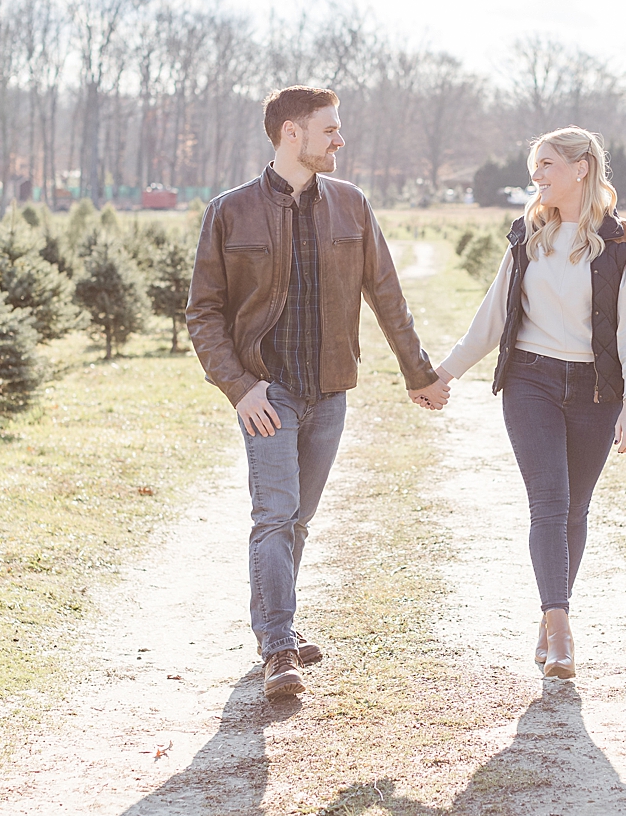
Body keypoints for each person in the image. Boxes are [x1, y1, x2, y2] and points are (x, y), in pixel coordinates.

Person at [186, 85, 451, 700]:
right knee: (274, 515)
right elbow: (204, 313)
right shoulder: (231, 212)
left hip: (329, 392)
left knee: (298, 520)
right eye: (329, 129)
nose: (340, 139)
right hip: (268, 393)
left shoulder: (351, 206)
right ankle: (278, 645)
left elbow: (386, 295)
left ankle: (278, 625)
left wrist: (420, 374)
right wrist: (240, 387)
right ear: (291, 135)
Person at [435, 126, 626, 679]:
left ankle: (552, 612)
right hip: (530, 382)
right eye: (535, 167)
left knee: (575, 510)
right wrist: (444, 373)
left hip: (595, 392)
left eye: (547, 165)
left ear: (582, 168)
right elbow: (492, 318)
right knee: (550, 504)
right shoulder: (527, 236)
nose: (537, 177)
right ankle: (559, 627)